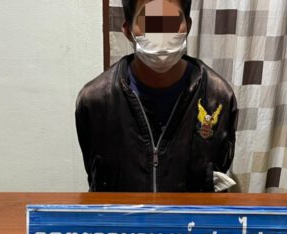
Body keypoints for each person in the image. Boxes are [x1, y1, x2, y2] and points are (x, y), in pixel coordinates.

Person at [75, 0, 238, 192]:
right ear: (127, 30)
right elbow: (96, 177)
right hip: (122, 213)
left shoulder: (218, 97)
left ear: (188, 26)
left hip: (191, 213)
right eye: (149, 22)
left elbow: (216, 178)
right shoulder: (95, 101)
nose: (161, 34)